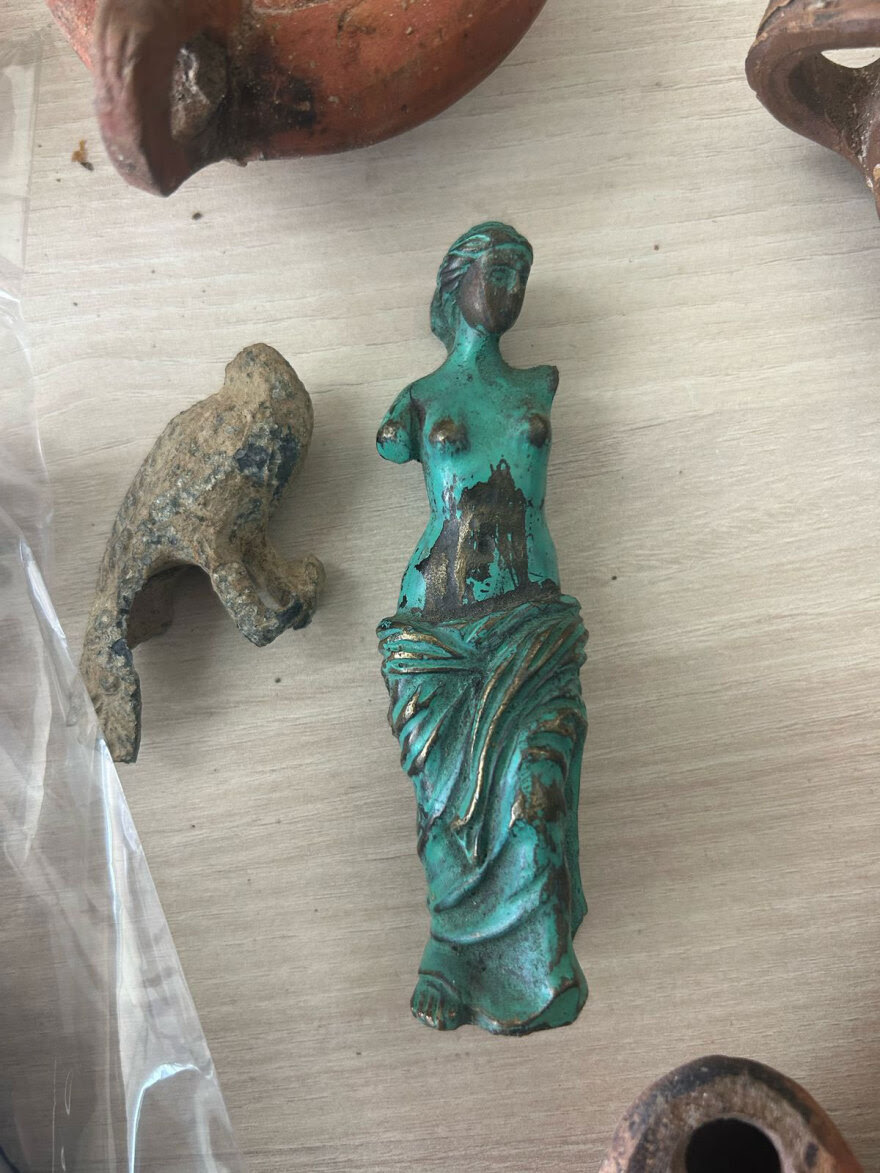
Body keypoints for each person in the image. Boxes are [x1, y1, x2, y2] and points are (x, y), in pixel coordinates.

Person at [377, 223, 588, 1034]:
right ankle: (448, 955)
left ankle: (541, 960)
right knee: (447, 811)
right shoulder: (417, 400)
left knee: (540, 792)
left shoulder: (540, 384)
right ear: (455, 282)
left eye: (520, 276)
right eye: (496, 271)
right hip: (438, 627)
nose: (509, 290)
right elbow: (391, 446)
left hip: (531, 618)